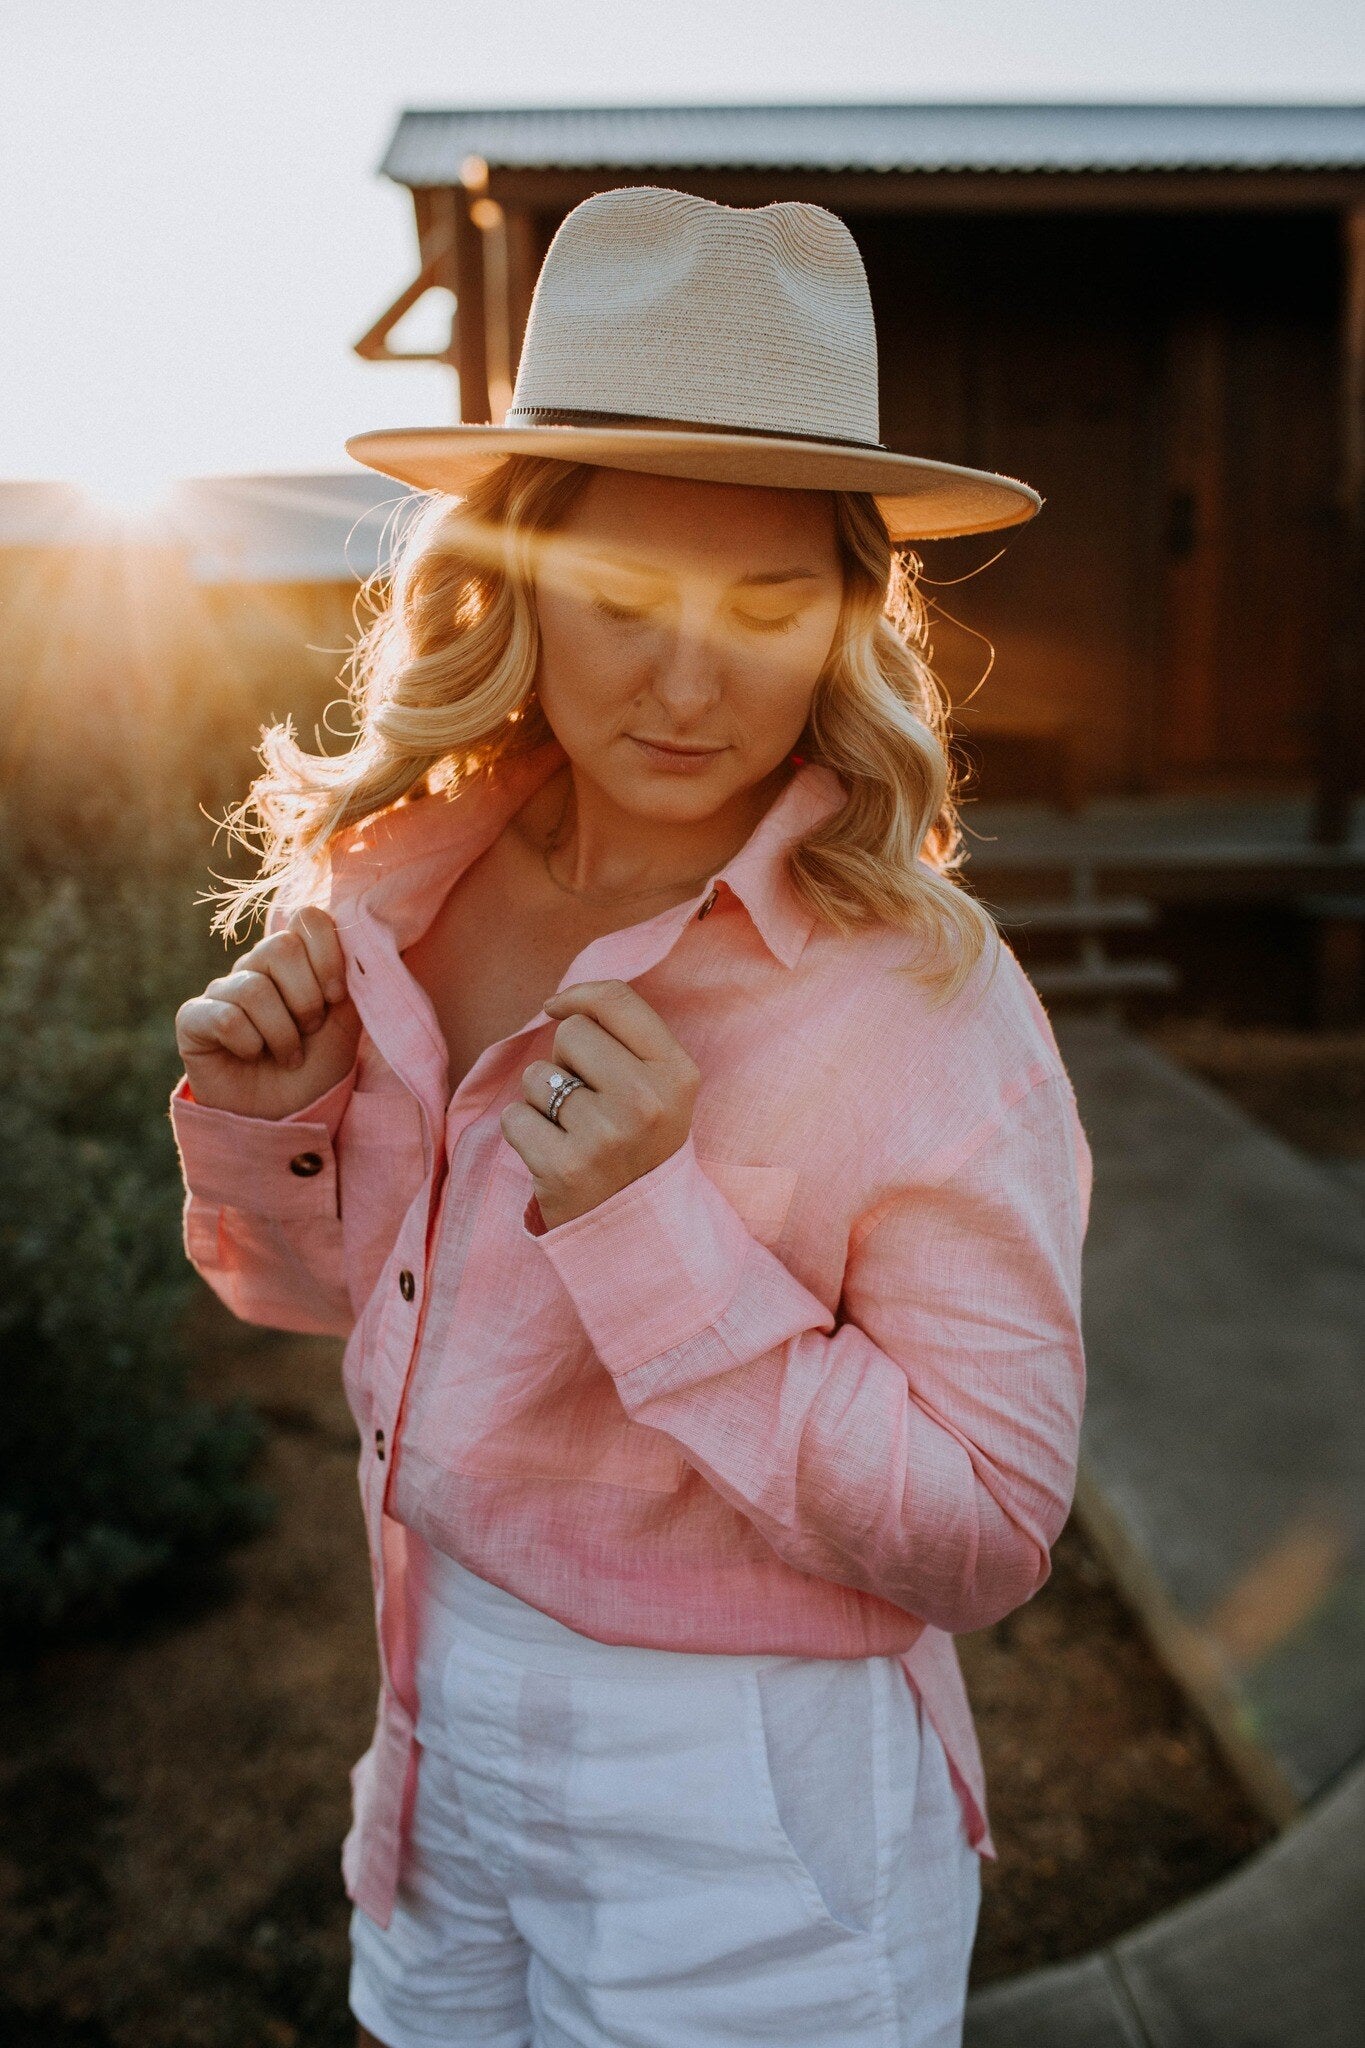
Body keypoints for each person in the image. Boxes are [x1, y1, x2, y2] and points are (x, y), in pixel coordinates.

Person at [169, 187, 1091, 2048]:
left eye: (764, 605)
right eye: (620, 599)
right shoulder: (395, 887)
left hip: (745, 1790)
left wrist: (653, 1227)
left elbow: (987, 1531)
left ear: (848, 616)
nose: (686, 683)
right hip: (434, 1712)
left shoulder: (921, 998)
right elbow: (335, 1311)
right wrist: (278, 1121)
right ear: (515, 579)